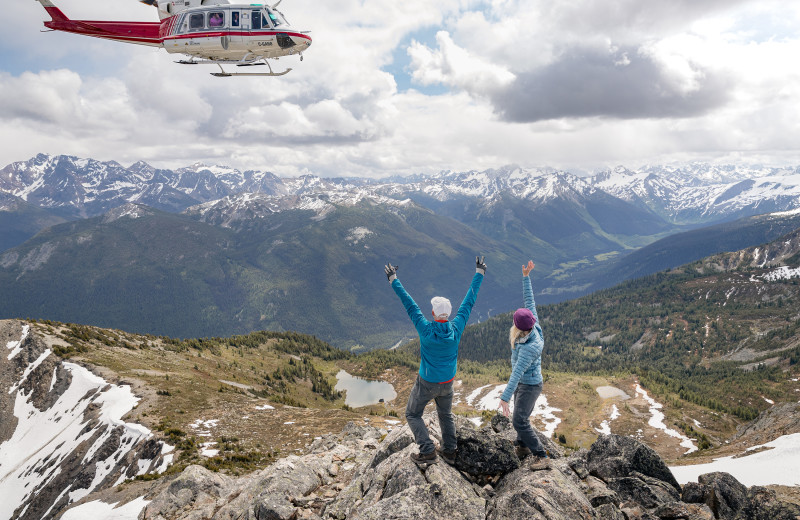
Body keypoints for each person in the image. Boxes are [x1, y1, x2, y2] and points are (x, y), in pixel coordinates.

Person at [384, 256, 486, 466]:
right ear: (448, 315)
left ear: (433, 313)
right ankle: (449, 451)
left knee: (412, 414)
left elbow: (409, 304)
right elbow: (469, 301)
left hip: (427, 382)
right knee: (445, 415)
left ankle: (428, 450)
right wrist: (479, 273)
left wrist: (394, 279)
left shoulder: (425, 329)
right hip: (447, 383)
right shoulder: (456, 327)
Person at [498, 260, 550, 470]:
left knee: (519, 420)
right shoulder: (532, 323)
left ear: (519, 327)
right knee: (521, 416)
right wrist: (526, 276)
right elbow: (530, 301)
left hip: (530, 385)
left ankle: (542, 456)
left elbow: (518, 373)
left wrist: (504, 398)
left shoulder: (530, 346)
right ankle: (521, 446)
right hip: (525, 383)